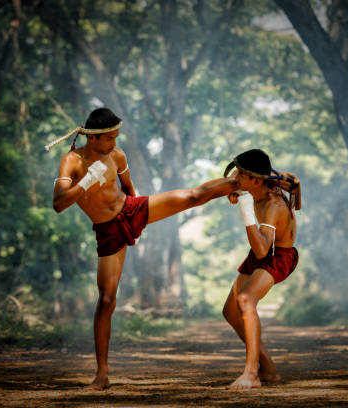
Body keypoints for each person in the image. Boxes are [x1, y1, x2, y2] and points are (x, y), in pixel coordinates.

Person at [49, 107, 238, 389]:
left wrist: (138, 222)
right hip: (107, 231)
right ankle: (102, 375)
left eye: (116, 137)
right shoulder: (72, 161)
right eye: (110, 138)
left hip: (131, 211)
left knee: (192, 196)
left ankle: (243, 183)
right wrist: (88, 180)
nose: (114, 143)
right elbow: (59, 204)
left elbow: (129, 188)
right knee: (106, 301)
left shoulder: (117, 155)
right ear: (94, 138)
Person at [221, 149, 301, 390]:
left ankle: (251, 373)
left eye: (242, 175)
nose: (236, 177)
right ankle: (269, 370)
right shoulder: (265, 183)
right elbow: (295, 182)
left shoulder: (273, 205)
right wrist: (239, 191)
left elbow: (263, 251)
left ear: (256, 180)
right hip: (262, 249)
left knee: (246, 300)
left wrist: (245, 211)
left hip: (277, 255)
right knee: (230, 312)